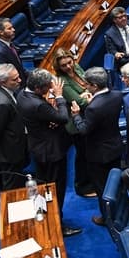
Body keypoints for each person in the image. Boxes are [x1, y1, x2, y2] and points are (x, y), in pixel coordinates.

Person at [17, 69, 82, 237]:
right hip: (51, 152)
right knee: (55, 190)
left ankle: (49, 219)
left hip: (38, 146)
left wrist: (49, 119)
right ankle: (57, 225)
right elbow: (62, 117)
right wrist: (59, 97)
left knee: (44, 187)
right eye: (48, 86)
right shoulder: (38, 105)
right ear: (38, 88)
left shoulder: (22, 95)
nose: (51, 88)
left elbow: (47, 117)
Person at [80, 67, 124, 226]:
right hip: (115, 147)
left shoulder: (93, 107)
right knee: (116, 183)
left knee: (102, 188)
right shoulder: (117, 95)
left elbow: (84, 129)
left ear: (94, 86)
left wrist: (76, 114)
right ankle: (120, 211)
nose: (85, 86)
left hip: (98, 154)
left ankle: (107, 218)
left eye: (87, 84)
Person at [52, 49, 96, 198]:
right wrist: (85, 95)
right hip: (75, 123)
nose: (69, 67)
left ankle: (90, 180)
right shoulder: (62, 81)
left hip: (87, 117)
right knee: (82, 155)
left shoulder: (76, 68)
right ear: (59, 67)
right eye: (64, 65)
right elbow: (79, 102)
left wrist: (85, 93)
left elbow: (89, 85)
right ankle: (82, 186)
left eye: (69, 62)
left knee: (89, 152)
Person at [0, 64, 28, 191]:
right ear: (3, 82)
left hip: (12, 145)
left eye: (18, 77)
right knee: (11, 185)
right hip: (10, 150)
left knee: (16, 179)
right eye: (14, 79)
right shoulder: (3, 103)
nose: (19, 81)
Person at [0, 17, 27, 84]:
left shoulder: (9, 43)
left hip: (22, 79)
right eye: (9, 29)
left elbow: (19, 66)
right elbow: (6, 80)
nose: (13, 30)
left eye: (12, 27)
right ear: (1, 32)